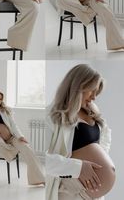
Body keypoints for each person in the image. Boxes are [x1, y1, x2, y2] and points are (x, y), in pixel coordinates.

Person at [45, 64, 115, 200]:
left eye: (97, 92)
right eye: (92, 91)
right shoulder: (52, 115)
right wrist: (79, 168)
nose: (94, 97)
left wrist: (100, 167)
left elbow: (105, 137)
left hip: (92, 192)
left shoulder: (92, 110)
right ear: (78, 86)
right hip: (70, 190)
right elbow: (44, 161)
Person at [0, 90, 44, 185]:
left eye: (0, 99)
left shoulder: (5, 111)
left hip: (11, 138)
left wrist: (20, 136)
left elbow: (13, 125)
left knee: (28, 150)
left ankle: (39, 179)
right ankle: (11, 150)